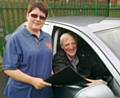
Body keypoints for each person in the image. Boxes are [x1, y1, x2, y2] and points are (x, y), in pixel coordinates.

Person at [3, 1, 53, 98]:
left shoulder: (47, 37)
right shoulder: (16, 38)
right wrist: (33, 81)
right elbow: (9, 69)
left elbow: (47, 60)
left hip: (43, 91)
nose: (38, 19)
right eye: (34, 15)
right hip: (22, 92)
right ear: (27, 15)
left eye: (42, 17)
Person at [52, 32, 111, 98]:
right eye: (67, 45)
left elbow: (97, 69)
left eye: (73, 43)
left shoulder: (83, 54)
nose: (71, 47)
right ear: (62, 47)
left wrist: (104, 80)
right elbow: (68, 77)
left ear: (76, 43)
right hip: (71, 93)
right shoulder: (58, 58)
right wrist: (93, 82)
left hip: (89, 91)